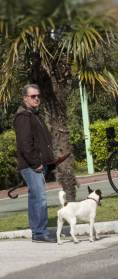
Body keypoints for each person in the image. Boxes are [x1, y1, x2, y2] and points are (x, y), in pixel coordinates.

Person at [14, 84, 57, 243]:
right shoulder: (23, 117)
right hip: (31, 165)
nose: (37, 98)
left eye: (38, 96)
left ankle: (37, 232)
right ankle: (40, 232)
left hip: (36, 164)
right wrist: (35, 163)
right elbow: (25, 144)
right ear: (25, 98)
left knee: (35, 198)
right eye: (33, 96)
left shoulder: (34, 115)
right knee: (39, 198)